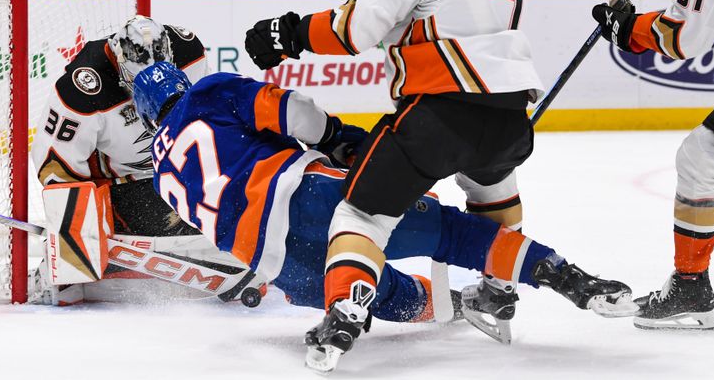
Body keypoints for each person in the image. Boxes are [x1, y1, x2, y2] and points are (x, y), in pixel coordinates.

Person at [244, 0, 635, 370]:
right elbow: (435, 16)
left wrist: (289, 34)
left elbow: (359, 31)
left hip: (438, 114)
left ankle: (344, 308)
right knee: (491, 187)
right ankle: (498, 290)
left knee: (361, 215)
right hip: (509, 118)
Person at [134, 61, 636, 372]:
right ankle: (565, 277)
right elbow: (293, 111)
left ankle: (443, 307)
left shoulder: (159, 173)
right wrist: (332, 136)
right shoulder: (207, 93)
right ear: (181, 82)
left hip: (277, 266)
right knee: (451, 233)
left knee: (385, 293)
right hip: (307, 199)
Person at [592, 0, 714, 331]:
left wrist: (628, 28)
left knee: (700, 158)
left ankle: (692, 288)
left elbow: (687, 37)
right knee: (702, 157)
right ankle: (692, 286)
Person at [31, 15, 210, 301]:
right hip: (122, 181)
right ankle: (69, 265)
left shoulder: (188, 50)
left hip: (175, 164)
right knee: (172, 222)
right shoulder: (84, 86)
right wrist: (78, 226)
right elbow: (53, 165)